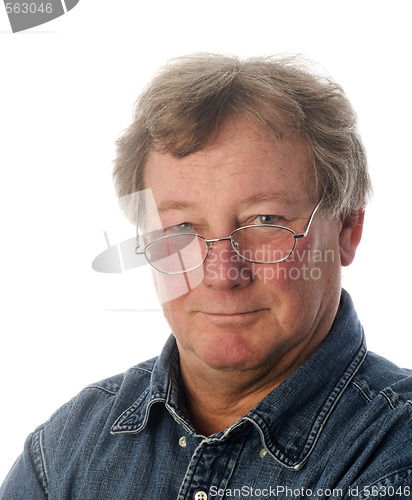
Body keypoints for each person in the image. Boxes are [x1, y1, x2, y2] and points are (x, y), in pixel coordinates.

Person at [1, 53, 411, 499]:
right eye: (180, 228)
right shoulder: (64, 451)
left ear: (348, 228)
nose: (222, 273)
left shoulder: (394, 451)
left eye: (264, 220)